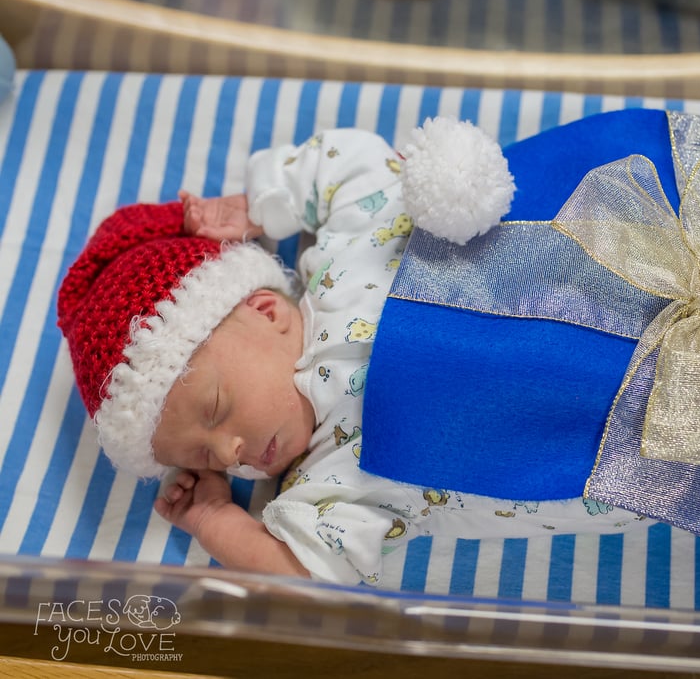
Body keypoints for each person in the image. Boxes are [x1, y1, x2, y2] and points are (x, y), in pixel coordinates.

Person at [57, 128, 647, 584]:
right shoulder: (333, 476)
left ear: (265, 311)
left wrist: (254, 206)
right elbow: (303, 578)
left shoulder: (347, 256)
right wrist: (216, 521)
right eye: (204, 459)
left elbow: (347, 163)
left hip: (605, 259)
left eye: (215, 411)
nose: (230, 454)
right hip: (622, 433)